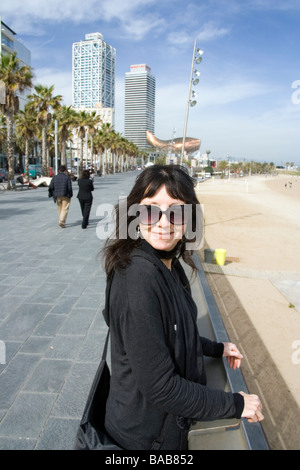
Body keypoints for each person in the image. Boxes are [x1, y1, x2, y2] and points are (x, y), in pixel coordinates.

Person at [101, 165, 264, 450]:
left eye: (176, 212)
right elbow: (161, 387)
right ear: (135, 214)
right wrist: (236, 403)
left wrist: (216, 348)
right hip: (143, 438)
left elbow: (172, 332)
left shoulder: (169, 262)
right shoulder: (137, 278)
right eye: (151, 210)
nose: (163, 223)